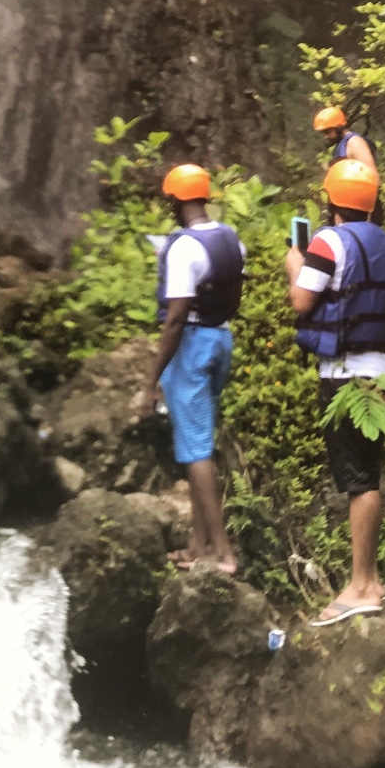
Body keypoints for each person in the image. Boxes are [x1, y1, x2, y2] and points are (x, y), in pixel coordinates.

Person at [286, 159, 385, 624]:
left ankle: (361, 588)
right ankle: (371, 580)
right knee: (369, 477)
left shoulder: (326, 242)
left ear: (330, 200)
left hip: (343, 376)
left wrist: (296, 263)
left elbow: (302, 299)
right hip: (381, 372)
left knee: (357, 481)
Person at [140, 165, 246, 575]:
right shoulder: (230, 236)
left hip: (192, 347)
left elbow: (176, 318)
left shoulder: (182, 247)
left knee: (195, 450)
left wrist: (151, 381)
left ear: (175, 200)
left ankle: (222, 554)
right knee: (200, 437)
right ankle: (196, 545)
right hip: (221, 340)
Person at [312, 105, 379, 176]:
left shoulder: (354, 142)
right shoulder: (342, 144)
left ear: (338, 127)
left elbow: (371, 174)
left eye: (327, 131)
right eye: (324, 132)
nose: (326, 136)